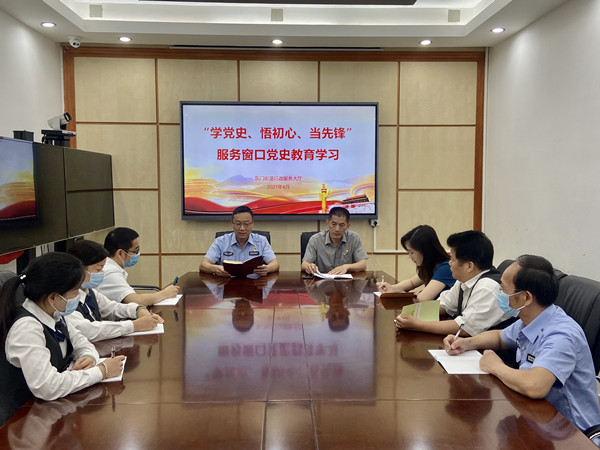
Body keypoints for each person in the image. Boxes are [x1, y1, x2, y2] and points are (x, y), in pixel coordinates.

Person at [444, 255, 600, 433]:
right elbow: (499, 337)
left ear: (526, 297)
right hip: (539, 417)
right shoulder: (532, 319)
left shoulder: (561, 335)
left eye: (504, 289)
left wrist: (495, 366)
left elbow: (535, 386)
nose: (500, 294)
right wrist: (466, 342)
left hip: (573, 433)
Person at [0, 252, 125, 401]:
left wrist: (88, 356)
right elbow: (47, 387)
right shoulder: (27, 328)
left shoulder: (54, 313)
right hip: (25, 409)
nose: (78, 296)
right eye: (75, 292)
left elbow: (81, 342)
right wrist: (102, 371)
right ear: (53, 297)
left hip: (55, 403)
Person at [394, 230, 511, 336]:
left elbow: (465, 328)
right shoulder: (464, 280)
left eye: (452, 260)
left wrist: (418, 325)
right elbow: (445, 305)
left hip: (495, 350)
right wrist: (413, 314)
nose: (449, 263)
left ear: (469, 266)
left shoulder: (487, 287)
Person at [66, 240, 164, 342]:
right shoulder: (66, 299)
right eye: (98, 269)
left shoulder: (89, 291)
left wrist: (137, 310)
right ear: (79, 270)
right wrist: (134, 325)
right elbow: (89, 330)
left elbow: (112, 308)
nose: (102, 273)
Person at [98, 227, 180, 306]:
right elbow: (137, 301)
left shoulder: (111, 267)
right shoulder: (110, 272)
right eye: (135, 251)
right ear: (120, 253)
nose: (137, 254)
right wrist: (165, 294)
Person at [377, 225, 455, 301]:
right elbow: (412, 282)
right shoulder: (430, 266)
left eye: (412, 252)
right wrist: (392, 288)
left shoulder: (446, 268)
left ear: (425, 251)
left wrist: (418, 293)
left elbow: (423, 298)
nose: (410, 256)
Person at [200, 206, 279, 277]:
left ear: (252, 224)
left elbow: (275, 264)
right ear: (232, 224)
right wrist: (216, 269)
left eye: (246, 224)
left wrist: (267, 268)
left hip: (255, 284)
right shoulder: (221, 241)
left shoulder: (262, 241)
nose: (242, 228)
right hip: (227, 284)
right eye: (238, 224)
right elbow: (203, 265)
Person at [301, 206, 368, 275]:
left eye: (341, 225)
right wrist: (309, 266)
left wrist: (347, 267)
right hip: (322, 280)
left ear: (348, 225)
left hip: (346, 280)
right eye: (333, 224)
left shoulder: (354, 238)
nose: (337, 229)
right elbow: (304, 264)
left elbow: (363, 264)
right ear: (327, 223)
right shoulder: (316, 239)